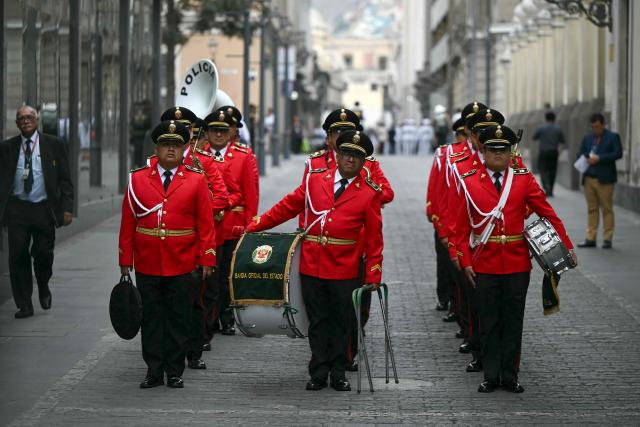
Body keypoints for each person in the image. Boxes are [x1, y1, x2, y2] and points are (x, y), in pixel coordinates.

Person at [243, 130, 384, 392]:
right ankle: (319, 370)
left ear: (364, 162)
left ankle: (339, 371)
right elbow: (288, 206)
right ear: (337, 155)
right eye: (346, 154)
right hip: (313, 264)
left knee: (341, 321)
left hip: (344, 267)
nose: (350, 160)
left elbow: (375, 239)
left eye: (357, 156)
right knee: (317, 320)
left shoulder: (369, 193)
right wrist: (256, 224)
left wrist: (374, 274)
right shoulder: (315, 180)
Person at [456, 125, 577, 393]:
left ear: (511, 153)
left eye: (503, 150)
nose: (498, 155)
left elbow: (548, 214)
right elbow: (460, 227)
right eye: (493, 150)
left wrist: (566, 246)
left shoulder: (523, 180)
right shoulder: (469, 179)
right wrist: (464, 261)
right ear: (484, 152)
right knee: (489, 320)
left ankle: (510, 375)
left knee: (513, 320)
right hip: (484, 262)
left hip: (516, 263)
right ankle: (490, 375)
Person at [118, 120, 216, 389]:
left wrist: (207, 258)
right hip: (148, 261)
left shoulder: (196, 180)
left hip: (182, 262)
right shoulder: (138, 179)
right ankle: (153, 370)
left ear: (184, 148)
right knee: (150, 318)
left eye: (176, 145)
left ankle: (174, 370)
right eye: (165, 145)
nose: (170, 150)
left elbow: (205, 224)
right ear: (156, 148)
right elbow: (128, 222)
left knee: (178, 317)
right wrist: (125, 260)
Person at [0, 105, 74, 319]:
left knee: (43, 254)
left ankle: (43, 284)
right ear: (16, 123)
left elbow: (66, 180)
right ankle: (24, 304)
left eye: (29, 117)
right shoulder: (7, 148)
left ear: (37, 120)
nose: (25, 121)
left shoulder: (54, 145)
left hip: (44, 209)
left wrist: (67, 209)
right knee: (17, 256)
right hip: (17, 210)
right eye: (20, 118)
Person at [204, 108, 259, 336]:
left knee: (228, 275)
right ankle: (210, 319)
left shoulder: (243, 156)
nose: (218, 135)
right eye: (214, 131)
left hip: (232, 224)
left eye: (223, 131)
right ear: (207, 133)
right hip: (208, 227)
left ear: (231, 133)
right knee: (210, 277)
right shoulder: (200, 155)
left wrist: (251, 227)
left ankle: (227, 318)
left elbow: (251, 194)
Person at [576, 113, 623, 249]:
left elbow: (618, 153)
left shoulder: (612, 137)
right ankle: (590, 238)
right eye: (593, 127)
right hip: (589, 178)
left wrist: (599, 158)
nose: (595, 129)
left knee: (607, 209)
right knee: (592, 209)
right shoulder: (587, 138)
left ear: (603, 125)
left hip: (605, 179)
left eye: (597, 126)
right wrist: (586, 157)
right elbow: (579, 153)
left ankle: (607, 238)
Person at [532, 111, 565, 197]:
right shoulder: (558, 128)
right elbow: (562, 141)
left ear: (545, 118)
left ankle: (546, 185)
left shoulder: (541, 128)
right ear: (554, 119)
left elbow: (534, 137)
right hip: (554, 152)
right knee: (552, 171)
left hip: (543, 152)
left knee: (542, 169)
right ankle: (550, 189)